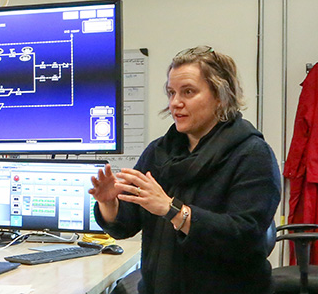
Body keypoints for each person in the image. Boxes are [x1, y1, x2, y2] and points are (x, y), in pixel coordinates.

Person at [89, 45, 281, 294]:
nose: (175, 103)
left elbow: (244, 236)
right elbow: (125, 224)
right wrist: (109, 204)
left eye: (188, 92)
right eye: (171, 93)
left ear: (221, 96)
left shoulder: (252, 154)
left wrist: (172, 210)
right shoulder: (159, 152)